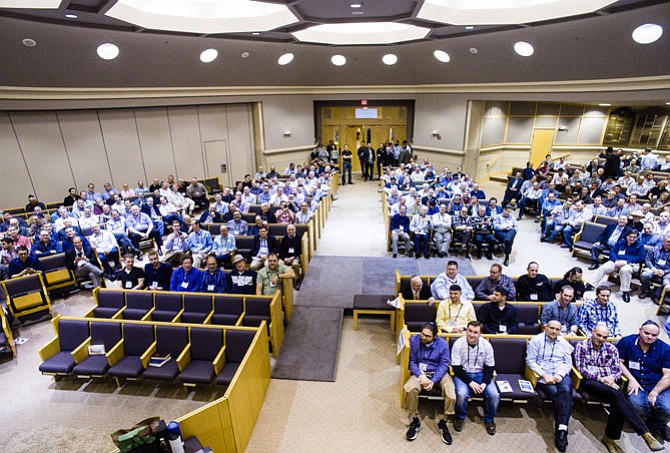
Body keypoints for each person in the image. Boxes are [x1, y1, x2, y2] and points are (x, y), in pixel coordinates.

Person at [574, 324, 664, 452]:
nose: (601, 339)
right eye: (598, 335)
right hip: (589, 383)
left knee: (618, 401)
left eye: (604, 337)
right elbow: (582, 370)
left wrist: (609, 378)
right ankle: (644, 433)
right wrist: (602, 377)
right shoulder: (582, 346)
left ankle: (612, 438)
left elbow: (616, 371)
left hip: (609, 384)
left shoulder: (611, 348)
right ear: (592, 332)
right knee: (618, 395)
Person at [617, 320, 670, 444]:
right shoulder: (627, 342)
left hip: (658, 384)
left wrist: (655, 392)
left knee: (668, 408)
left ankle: (655, 425)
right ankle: (658, 423)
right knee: (637, 405)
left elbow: (668, 374)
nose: (650, 337)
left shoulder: (665, 349)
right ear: (640, 330)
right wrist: (631, 379)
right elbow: (618, 362)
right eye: (646, 333)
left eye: (654, 335)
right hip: (637, 384)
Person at [526, 320, 574, 452]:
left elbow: (568, 362)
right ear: (545, 328)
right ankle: (562, 431)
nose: (554, 331)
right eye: (551, 328)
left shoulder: (564, 343)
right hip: (544, 377)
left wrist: (560, 374)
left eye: (557, 329)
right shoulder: (536, 341)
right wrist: (544, 375)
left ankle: (561, 431)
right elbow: (530, 361)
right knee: (561, 397)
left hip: (560, 374)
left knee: (565, 390)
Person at [403, 322, 454, 444]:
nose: (423, 337)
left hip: (438, 373)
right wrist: (421, 376)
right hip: (420, 373)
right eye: (423, 334)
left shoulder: (443, 345)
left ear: (435, 336)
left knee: (452, 393)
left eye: (427, 336)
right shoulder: (415, 340)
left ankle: (444, 421)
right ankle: (415, 419)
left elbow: (444, 364)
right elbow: (412, 362)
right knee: (409, 388)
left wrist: (433, 380)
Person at [451, 321, 499, 435]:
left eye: (475, 332)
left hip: (480, 374)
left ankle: (489, 420)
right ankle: (460, 417)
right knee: (462, 394)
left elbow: (490, 367)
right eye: (470, 331)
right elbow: (456, 367)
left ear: (480, 334)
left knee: (494, 394)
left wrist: (484, 383)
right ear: (466, 331)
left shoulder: (487, 345)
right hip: (463, 374)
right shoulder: (458, 344)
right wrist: (470, 382)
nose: (472, 335)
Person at [586, 229, 645, 303]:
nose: (632, 239)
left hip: (631, 263)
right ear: (626, 236)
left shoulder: (640, 245)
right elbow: (612, 252)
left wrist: (626, 262)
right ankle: (590, 284)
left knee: (625, 270)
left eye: (634, 237)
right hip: (617, 261)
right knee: (604, 267)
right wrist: (615, 260)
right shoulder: (621, 242)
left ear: (637, 237)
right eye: (630, 237)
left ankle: (625, 292)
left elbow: (640, 258)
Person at [640, 235, 670, 300]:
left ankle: (657, 295)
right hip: (654, 268)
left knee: (667, 282)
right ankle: (646, 291)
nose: (669, 243)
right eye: (668, 242)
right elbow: (647, 259)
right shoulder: (655, 249)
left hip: (667, 271)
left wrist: (664, 271)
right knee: (645, 275)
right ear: (663, 241)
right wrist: (653, 268)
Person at [278, 224, 303, 290]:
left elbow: (300, 250)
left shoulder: (299, 238)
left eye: (292, 230)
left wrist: (293, 257)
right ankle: (281, 280)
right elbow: (281, 250)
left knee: (295, 264)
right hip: (285, 257)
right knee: (279, 264)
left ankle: (297, 280)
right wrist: (284, 258)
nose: (290, 231)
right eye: (289, 230)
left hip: (294, 257)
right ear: (287, 231)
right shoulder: (284, 239)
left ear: (295, 230)